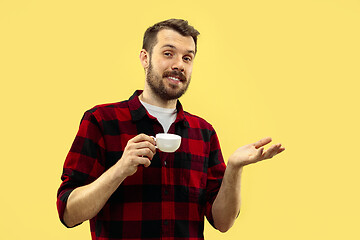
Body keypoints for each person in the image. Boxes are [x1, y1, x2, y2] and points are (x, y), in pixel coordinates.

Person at [57, 19, 285, 240]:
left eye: (187, 57)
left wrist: (234, 168)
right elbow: (69, 213)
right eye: (168, 53)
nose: (179, 64)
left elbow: (223, 222)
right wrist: (120, 169)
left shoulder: (204, 133)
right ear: (144, 58)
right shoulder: (101, 121)